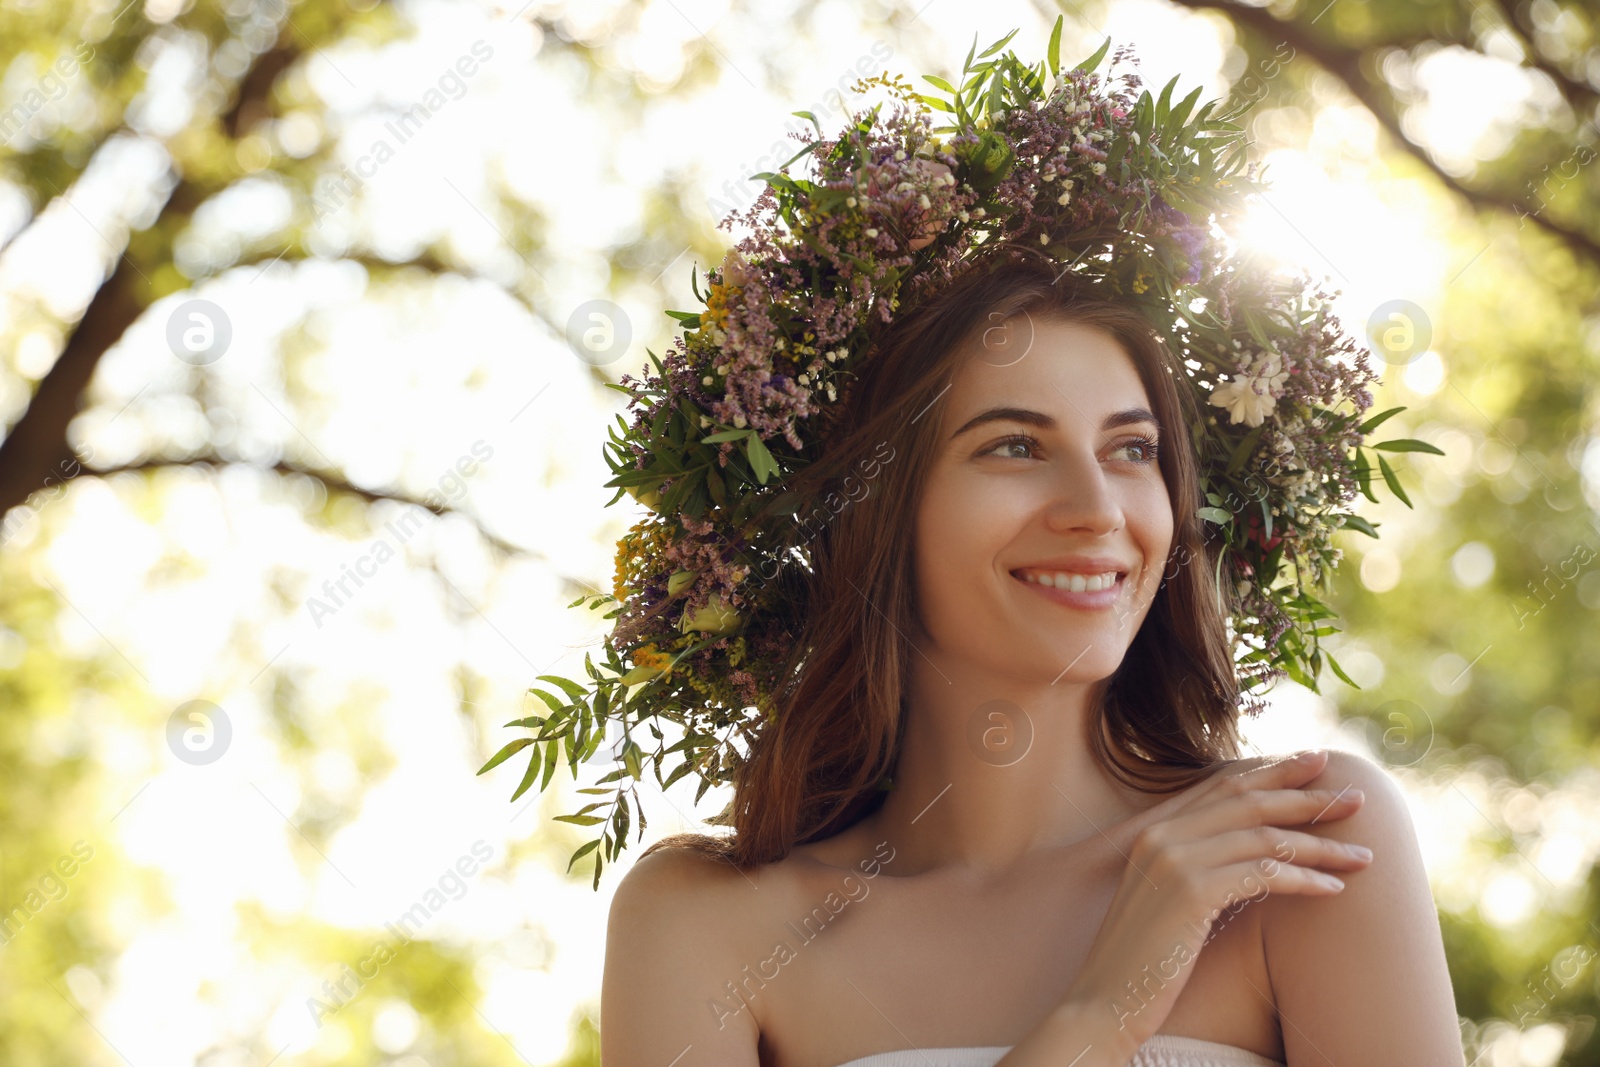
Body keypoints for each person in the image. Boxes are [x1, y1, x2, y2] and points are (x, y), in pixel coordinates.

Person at [597, 259, 1465, 1066]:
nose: (1097, 510)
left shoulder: (1296, 844)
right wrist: (1099, 1014)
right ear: (876, 513)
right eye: (1015, 445)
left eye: (1132, 450)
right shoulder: (705, 924)